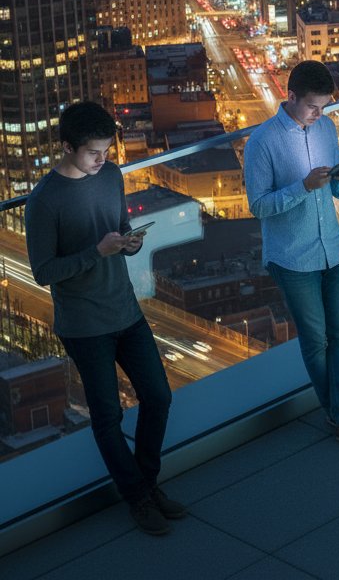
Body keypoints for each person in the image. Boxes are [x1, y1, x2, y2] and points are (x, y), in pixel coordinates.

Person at [26, 102, 182, 536]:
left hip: (125, 309)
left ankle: (146, 484)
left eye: (107, 151)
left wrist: (127, 244)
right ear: (67, 147)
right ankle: (138, 497)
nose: (103, 160)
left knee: (159, 397)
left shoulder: (111, 176)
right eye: (94, 152)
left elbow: (115, 229)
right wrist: (97, 252)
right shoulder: (43, 201)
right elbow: (43, 273)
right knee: (107, 417)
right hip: (83, 324)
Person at [244, 60, 339, 449]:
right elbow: (258, 206)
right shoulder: (262, 142)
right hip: (292, 258)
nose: (319, 114)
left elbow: (335, 196)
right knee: (316, 340)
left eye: (324, 106)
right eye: (312, 107)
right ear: (289, 97)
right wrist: (303, 186)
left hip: (333, 250)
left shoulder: (326, 128)